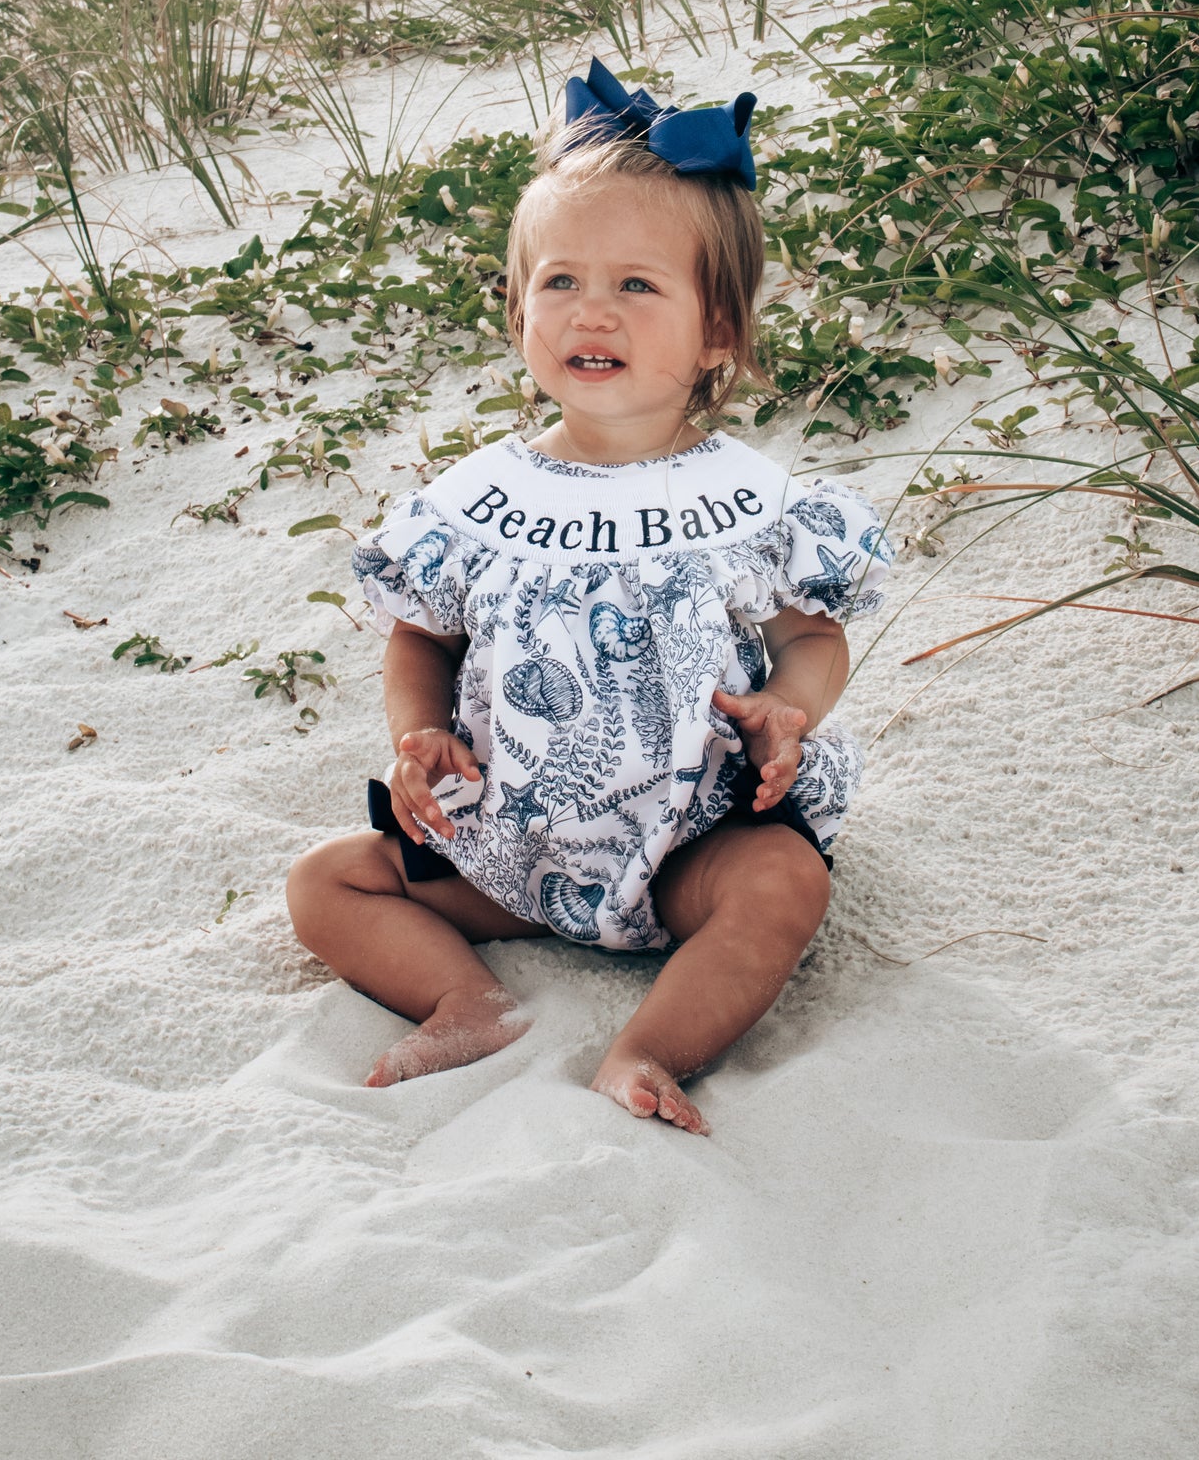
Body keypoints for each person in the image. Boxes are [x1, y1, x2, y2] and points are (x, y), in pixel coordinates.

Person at [286, 60, 892, 1135]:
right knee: (325, 880)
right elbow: (420, 639)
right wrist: (420, 731)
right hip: (515, 843)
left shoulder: (743, 497)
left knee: (783, 887)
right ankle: (464, 997)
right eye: (558, 281)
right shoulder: (482, 497)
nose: (589, 309)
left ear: (716, 330)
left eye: (636, 285)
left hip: (690, 839)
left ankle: (648, 1046)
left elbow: (812, 632)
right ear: (518, 307)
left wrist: (790, 707)